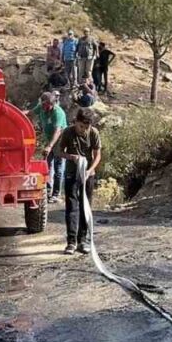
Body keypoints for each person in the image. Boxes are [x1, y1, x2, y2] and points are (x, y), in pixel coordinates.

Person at [58, 107, 101, 255]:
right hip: (71, 173)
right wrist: (72, 157)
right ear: (76, 122)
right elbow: (58, 151)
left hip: (88, 174)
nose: (83, 130)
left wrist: (90, 170)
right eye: (81, 126)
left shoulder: (94, 133)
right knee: (72, 206)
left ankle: (82, 240)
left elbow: (97, 156)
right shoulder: (68, 132)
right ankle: (71, 242)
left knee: (86, 206)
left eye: (86, 127)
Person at [32, 91, 67, 201]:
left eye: (47, 106)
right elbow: (30, 113)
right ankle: (47, 191)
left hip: (60, 141)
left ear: (52, 104)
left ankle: (56, 194)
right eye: (43, 105)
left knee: (58, 167)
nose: (45, 108)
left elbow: (57, 131)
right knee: (47, 165)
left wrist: (50, 146)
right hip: (49, 140)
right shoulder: (41, 107)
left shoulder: (58, 113)